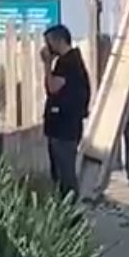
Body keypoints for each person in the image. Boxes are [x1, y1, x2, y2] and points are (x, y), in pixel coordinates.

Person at [41, 24, 91, 201]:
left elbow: (52, 87)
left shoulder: (67, 62)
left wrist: (47, 64)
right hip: (65, 126)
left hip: (64, 128)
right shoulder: (72, 61)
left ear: (58, 41)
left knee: (65, 174)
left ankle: (70, 208)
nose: (47, 47)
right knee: (61, 172)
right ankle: (67, 206)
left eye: (49, 42)